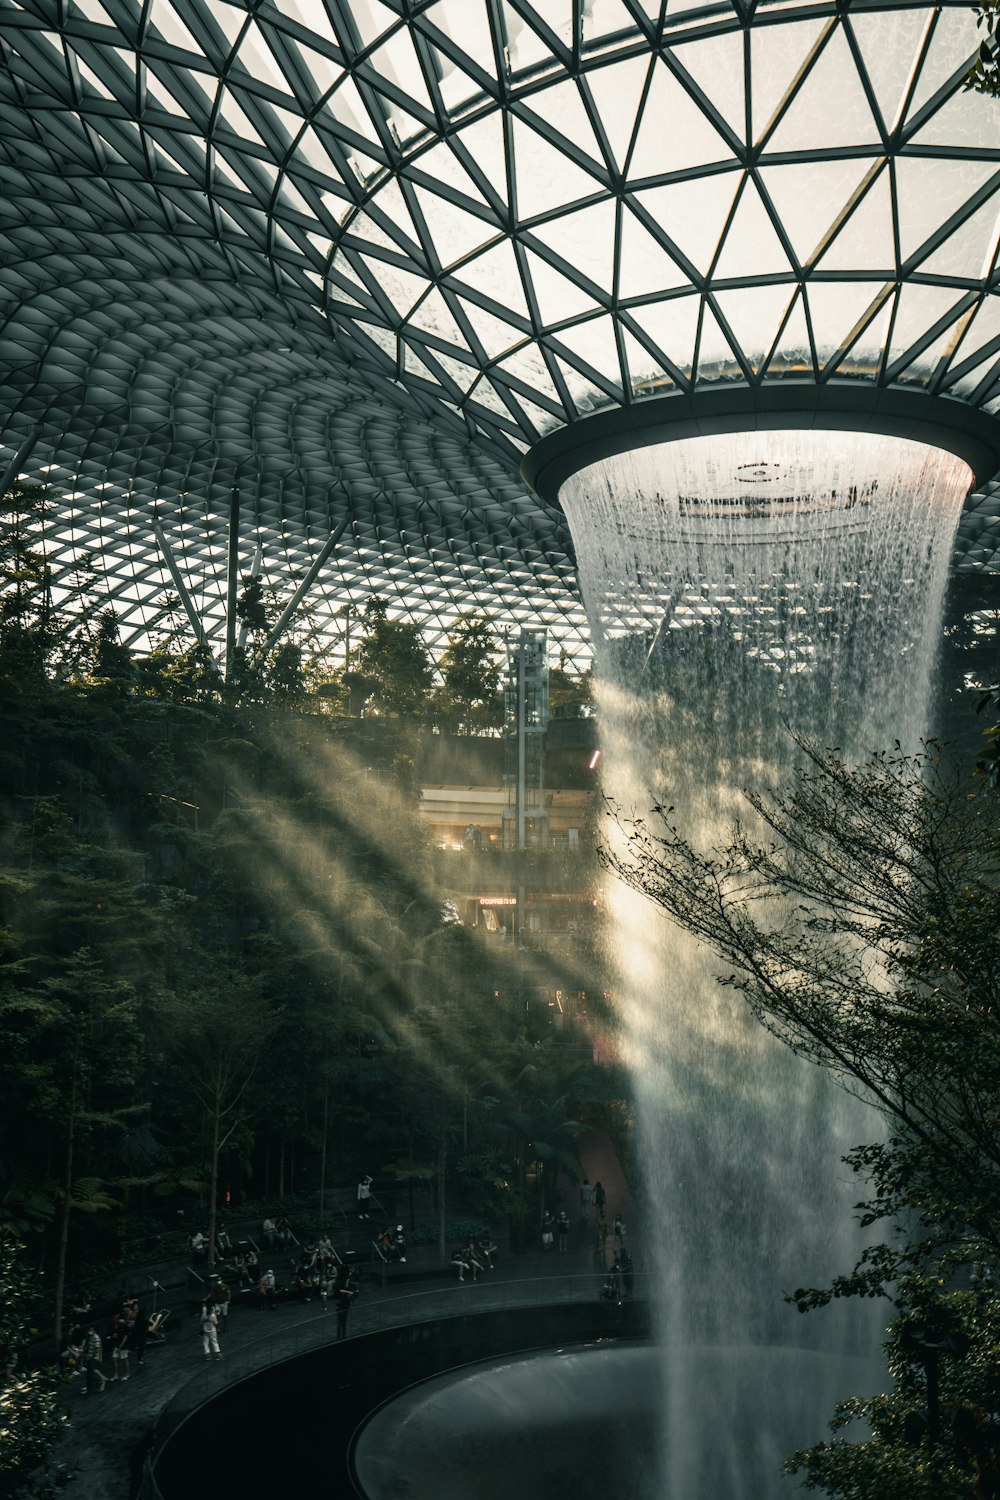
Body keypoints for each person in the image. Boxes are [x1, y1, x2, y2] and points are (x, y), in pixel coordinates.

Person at [334, 1267, 358, 1340]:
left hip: (345, 1303)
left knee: (342, 1322)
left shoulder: (346, 1280)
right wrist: (349, 1293)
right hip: (343, 1302)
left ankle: (342, 1336)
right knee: (341, 1322)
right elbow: (339, 1290)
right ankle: (340, 1337)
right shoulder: (342, 1280)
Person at [82, 1325, 107, 1395]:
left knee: (91, 1371)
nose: (90, 1331)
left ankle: (101, 1380)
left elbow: (97, 1348)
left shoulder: (96, 1338)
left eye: (91, 1330)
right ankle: (92, 1384)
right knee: (91, 1371)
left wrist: (93, 1357)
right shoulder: (91, 1337)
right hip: (89, 1356)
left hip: (93, 1357)